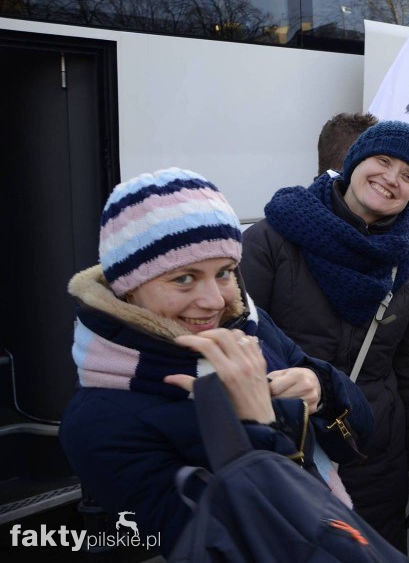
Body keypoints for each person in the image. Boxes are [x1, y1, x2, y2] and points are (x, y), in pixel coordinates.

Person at [60, 168, 374, 555]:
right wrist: (260, 425)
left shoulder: (248, 326)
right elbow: (244, 545)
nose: (214, 301)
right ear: (129, 287)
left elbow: (364, 427)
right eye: (184, 279)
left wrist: (323, 387)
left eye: (223, 272)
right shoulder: (100, 419)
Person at [241, 121, 409, 553]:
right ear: (354, 163)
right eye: (383, 161)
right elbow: (238, 339)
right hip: (287, 447)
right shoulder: (273, 240)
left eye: (408, 176)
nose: (392, 179)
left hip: (373, 458)